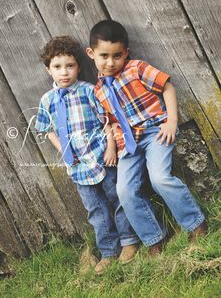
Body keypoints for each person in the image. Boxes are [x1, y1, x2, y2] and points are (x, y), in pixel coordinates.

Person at [86, 20, 207, 256]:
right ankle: (154, 237)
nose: (111, 62)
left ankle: (195, 223)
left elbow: (167, 87)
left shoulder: (136, 68)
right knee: (125, 191)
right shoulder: (97, 91)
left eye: (117, 55)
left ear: (126, 53)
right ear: (91, 53)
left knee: (160, 178)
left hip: (154, 133)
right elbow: (109, 121)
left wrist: (171, 121)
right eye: (104, 56)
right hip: (127, 146)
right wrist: (111, 147)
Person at [35, 36, 139, 274]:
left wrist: (111, 147)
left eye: (70, 66)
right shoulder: (47, 100)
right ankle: (109, 251)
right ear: (48, 70)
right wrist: (64, 150)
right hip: (78, 166)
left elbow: (108, 120)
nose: (64, 72)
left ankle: (129, 241)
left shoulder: (89, 91)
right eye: (57, 67)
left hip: (103, 157)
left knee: (117, 198)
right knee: (96, 209)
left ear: (78, 67)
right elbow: (46, 129)